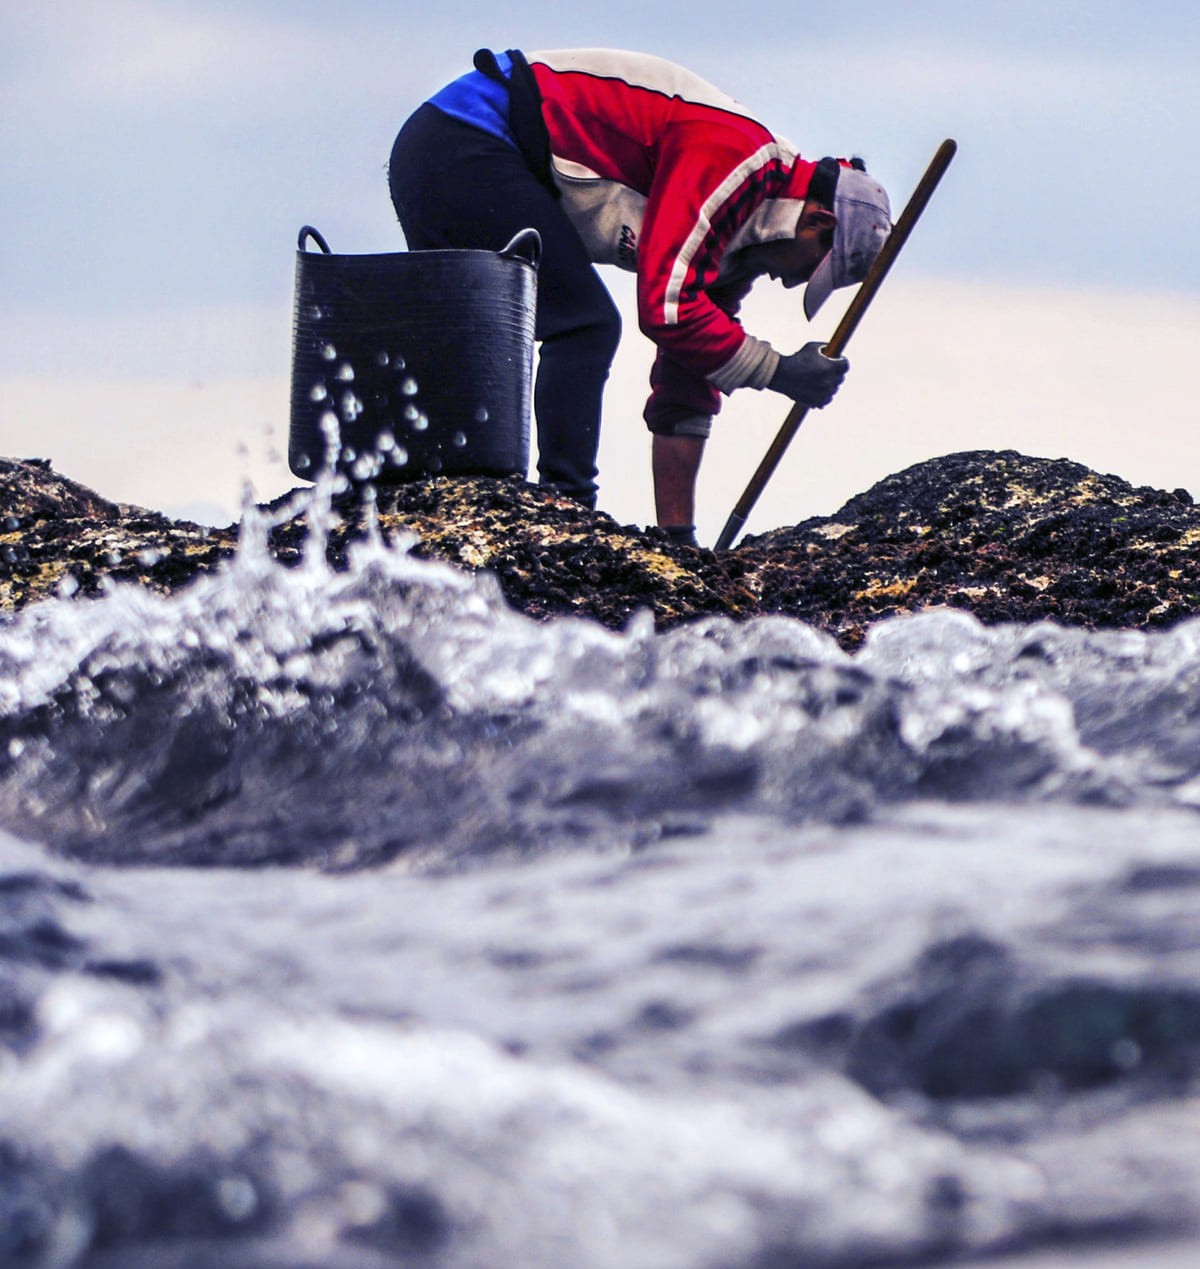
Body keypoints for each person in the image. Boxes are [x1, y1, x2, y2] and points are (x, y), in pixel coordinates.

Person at [388, 48, 891, 547]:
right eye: (812, 271)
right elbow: (667, 312)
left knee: (483, 336)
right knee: (584, 325)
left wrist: (678, 537)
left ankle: (427, 479)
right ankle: (565, 511)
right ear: (816, 222)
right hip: (467, 136)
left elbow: (687, 377)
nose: (793, 284)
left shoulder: (741, 243)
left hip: (456, 149)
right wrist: (779, 372)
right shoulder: (737, 161)